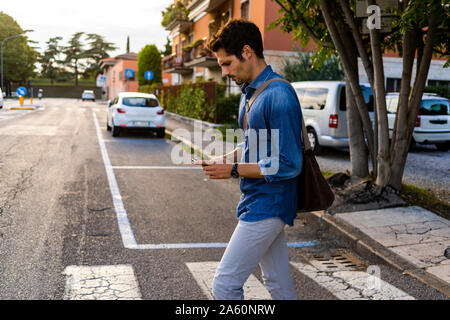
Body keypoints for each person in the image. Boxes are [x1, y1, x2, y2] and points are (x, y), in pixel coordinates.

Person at [194, 19, 304, 300]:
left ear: (247, 52)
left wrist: (232, 170)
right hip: (257, 200)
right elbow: (252, 145)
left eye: (227, 63)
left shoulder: (279, 95)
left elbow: (289, 163)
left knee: (225, 285)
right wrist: (225, 159)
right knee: (277, 282)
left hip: (270, 204)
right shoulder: (249, 93)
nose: (224, 71)